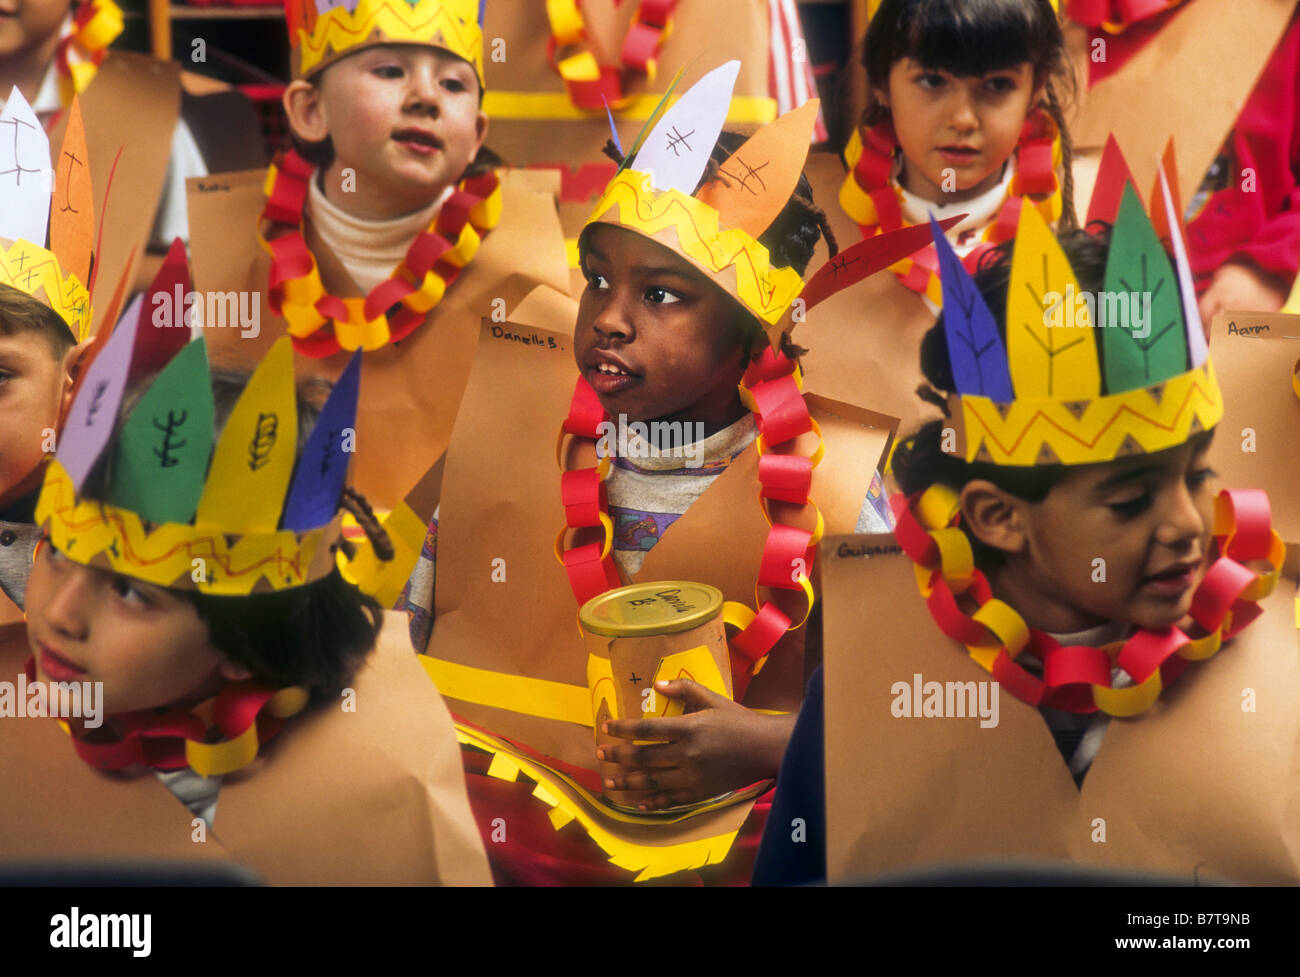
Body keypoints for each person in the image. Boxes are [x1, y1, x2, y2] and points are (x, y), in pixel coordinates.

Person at [401, 65, 936, 883]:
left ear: (750, 339)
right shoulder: (503, 453)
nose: (610, 317)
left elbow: (913, 725)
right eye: (601, 280)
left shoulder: (838, 492)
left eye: (661, 294)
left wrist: (769, 744)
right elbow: (396, 661)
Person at [754, 179, 1286, 884]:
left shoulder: (1279, 682)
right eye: (1131, 500)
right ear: (998, 515)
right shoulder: (865, 689)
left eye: (1195, 475)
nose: (1190, 525)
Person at [0, 315, 492, 884]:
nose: (60, 614)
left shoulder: (374, 802)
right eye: (59, 550)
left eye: (132, 590)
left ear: (248, 639)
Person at [188, 0, 570, 515]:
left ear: (478, 134)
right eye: (390, 71)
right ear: (309, 110)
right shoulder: (220, 256)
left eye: (453, 85)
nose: (425, 99)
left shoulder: (536, 267)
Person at [800, 0, 1076, 450]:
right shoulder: (801, 231)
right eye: (932, 81)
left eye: (997, 84)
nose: (963, 119)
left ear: (1038, 87)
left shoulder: (1089, 232)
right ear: (881, 80)